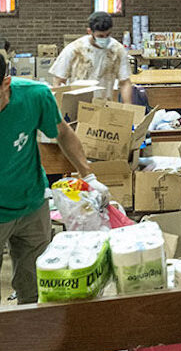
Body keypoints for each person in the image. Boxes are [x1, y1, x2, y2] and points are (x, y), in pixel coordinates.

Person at [0, 59, 109, 303]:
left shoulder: (34, 96)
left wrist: (88, 174)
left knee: (36, 288)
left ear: (6, 83)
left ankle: (31, 337)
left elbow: (62, 132)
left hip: (31, 205)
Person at [50, 11, 132, 102]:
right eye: (100, 36)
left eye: (107, 35)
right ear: (89, 31)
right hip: (76, 104)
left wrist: (129, 108)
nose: (104, 39)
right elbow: (58, 82)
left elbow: (125, 83)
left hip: (104, 104)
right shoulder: (75, 49)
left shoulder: (117, 50)